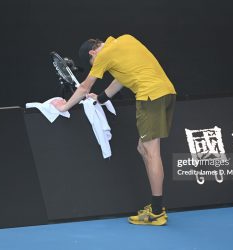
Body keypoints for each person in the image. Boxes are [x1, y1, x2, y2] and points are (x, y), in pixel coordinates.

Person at [52, 34, 176, 226]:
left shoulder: (103, 56)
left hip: (149, 97)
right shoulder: (126, 40)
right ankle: (156, 206)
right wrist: (100, 98)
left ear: (93, 53)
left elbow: (84, 87)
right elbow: (121, 79)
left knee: (151, 153)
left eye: (92, 61)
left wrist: (65, 107)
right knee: (143, 149)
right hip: (167, 93)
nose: (95, 64)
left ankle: (157, 212)